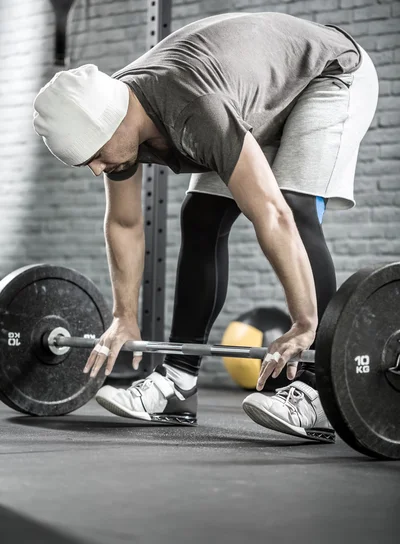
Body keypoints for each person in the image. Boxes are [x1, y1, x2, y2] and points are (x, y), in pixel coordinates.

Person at [33, 12, 379, 440]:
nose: (97, 169)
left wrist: (306, 322)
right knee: (200, 216)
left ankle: (319, 389)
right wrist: (124, 315)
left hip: (327, 74)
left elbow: (271, 213)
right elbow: (123, 222)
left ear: (117, 122)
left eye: (97, 155)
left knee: (294, 203)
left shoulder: (194, 110)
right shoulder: (111, 115)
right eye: (88, 161)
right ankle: (179, 381)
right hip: (249, 97)